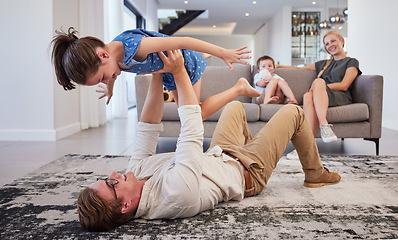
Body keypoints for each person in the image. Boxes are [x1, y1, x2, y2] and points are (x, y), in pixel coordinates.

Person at [77, 49, 341, 232]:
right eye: (110, 182)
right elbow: (191, 131)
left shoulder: (133, 175)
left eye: (106, 177)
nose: (114, 174)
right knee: (294, 113)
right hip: (247, 172)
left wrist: (158, 73)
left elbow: (147, 128)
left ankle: (254, 146)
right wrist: (179, 73)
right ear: (125, 206)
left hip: (220, 154)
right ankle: (315, 174)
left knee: (235, 109)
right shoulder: (175, 195)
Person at [51, 27, 257, 120]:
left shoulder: (135, 46)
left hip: (182, 64)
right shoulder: (114, 59)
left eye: (103, 78)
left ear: (103, 55)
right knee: (191, 113)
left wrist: (223, 53)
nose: (108, 79)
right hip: (168, 71)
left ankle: (239, 87)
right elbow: (115, 73)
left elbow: (183, 41)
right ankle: (201, 56)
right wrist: (110, 88)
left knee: (196, 115)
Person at [277, 31, 362, 160]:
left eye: (333, 41)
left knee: (318, 82)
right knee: (307, 96)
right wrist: (278, 67)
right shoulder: (323, 64)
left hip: (340, 96)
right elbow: (300, 69)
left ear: (342, 41)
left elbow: (344, 85)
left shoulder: (351, 62)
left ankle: (324, 125)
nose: (330, 45)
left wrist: (320, 87)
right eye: (327, 44)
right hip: (320, 96)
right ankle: (306, 146)